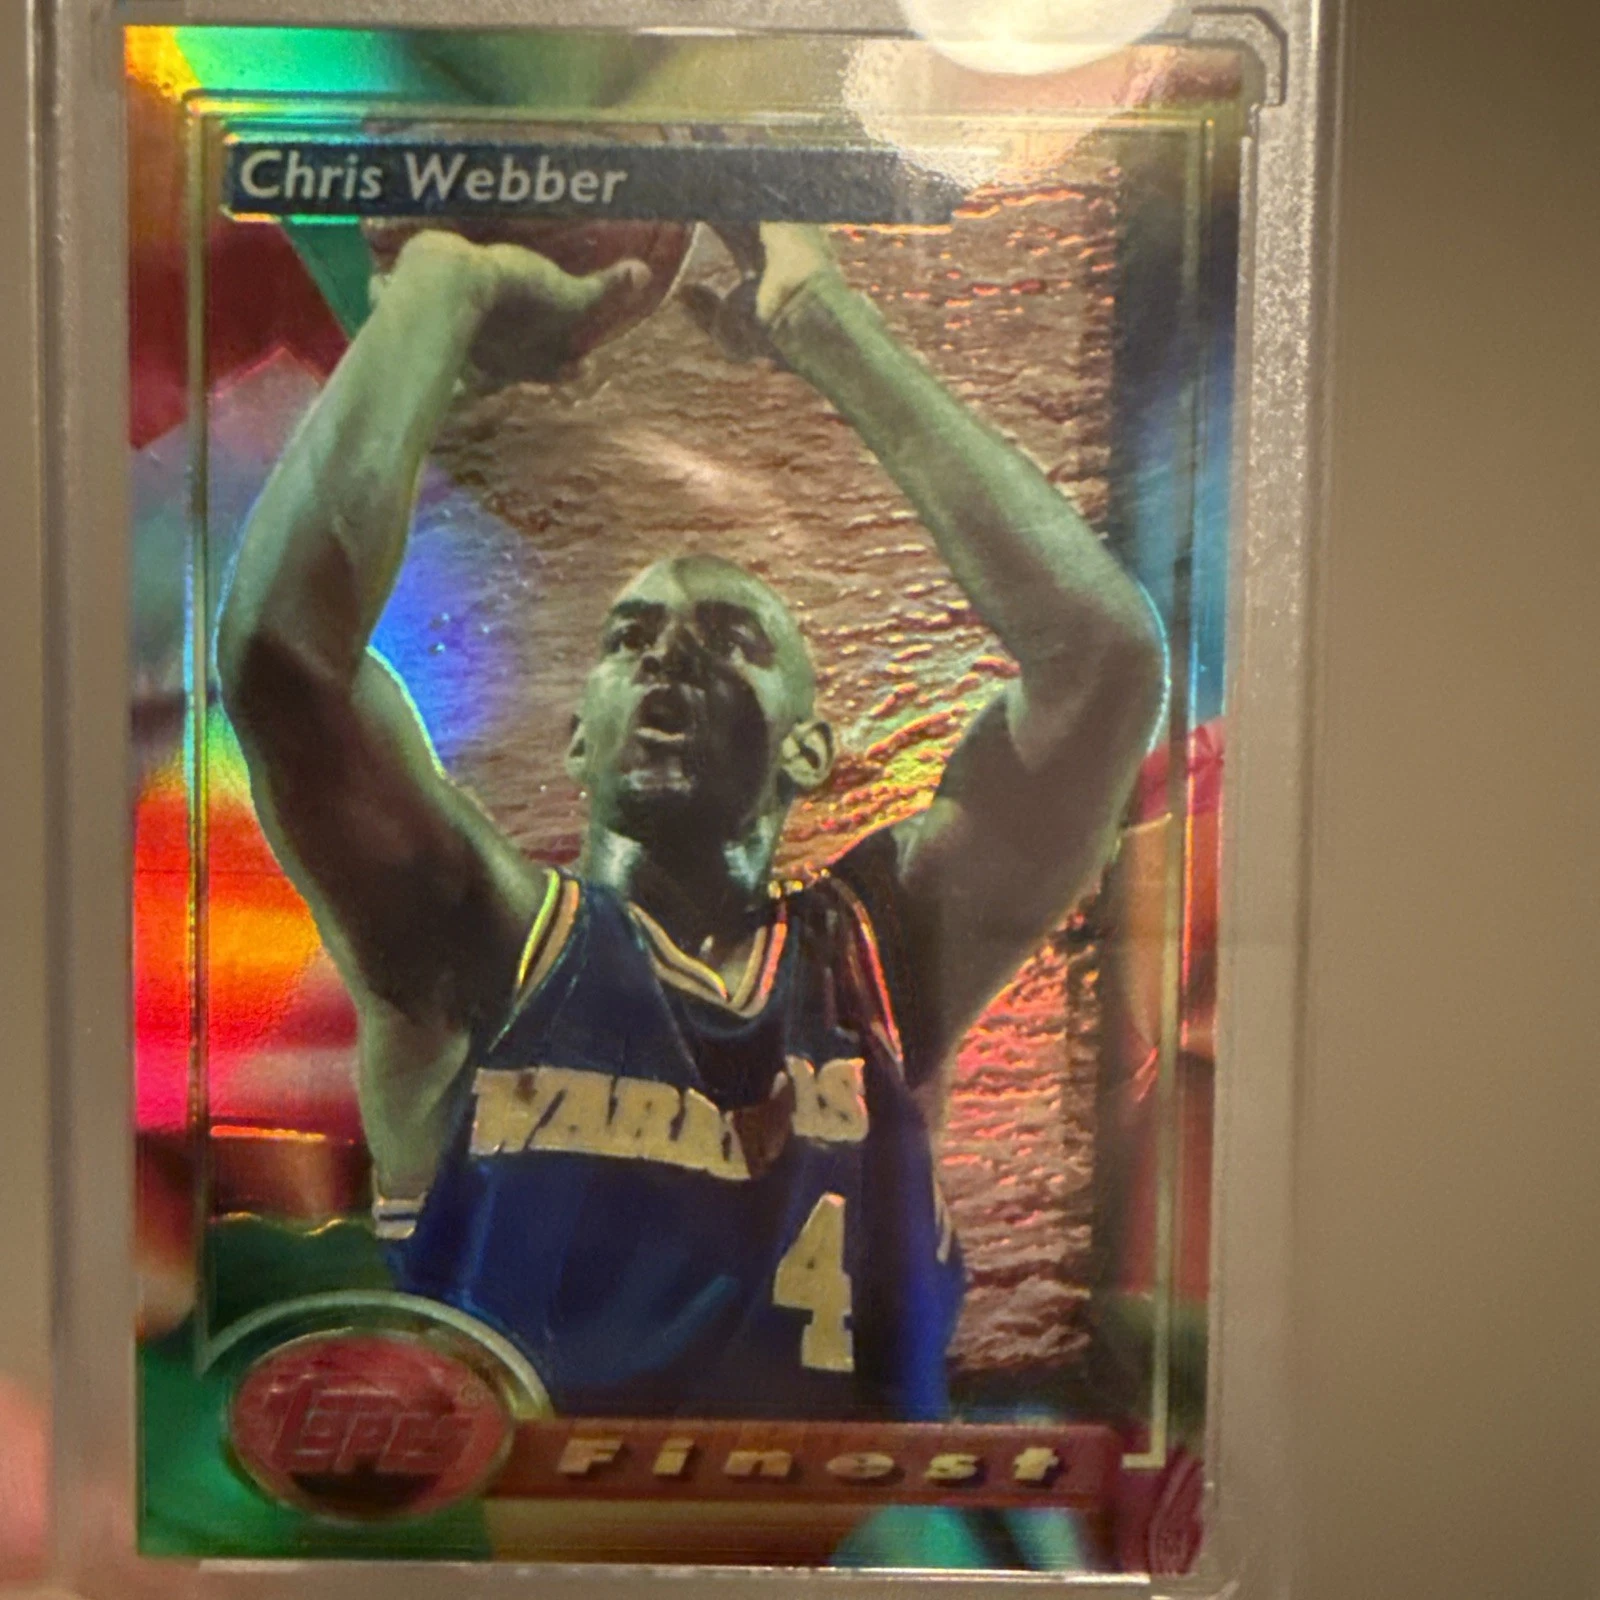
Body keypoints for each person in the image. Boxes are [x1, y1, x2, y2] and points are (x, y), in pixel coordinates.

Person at [217, 222, 1165, 1422]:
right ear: (579, 739)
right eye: (630, 639)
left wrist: (823, 321)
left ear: (808, 750)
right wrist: (441, 291)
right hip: (521, 1531)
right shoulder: (479, 943)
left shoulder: (878, 959)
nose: (667, 654)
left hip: (851, 1527)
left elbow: (1105, 662)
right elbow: (281, 660)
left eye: (729, 637)